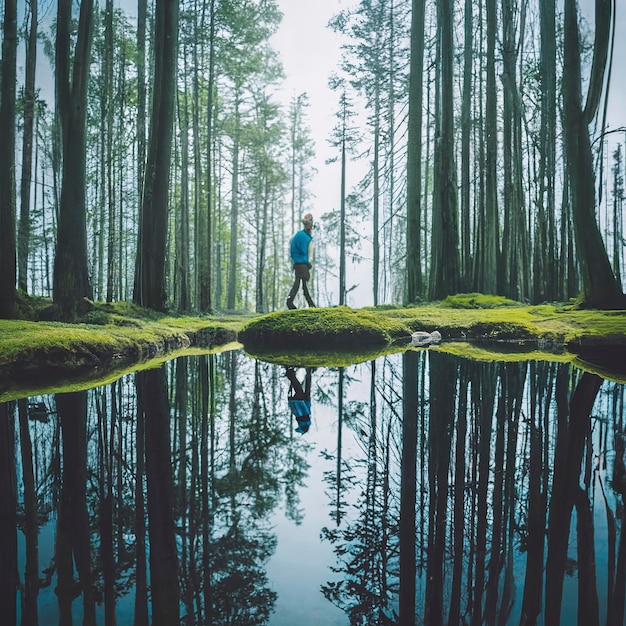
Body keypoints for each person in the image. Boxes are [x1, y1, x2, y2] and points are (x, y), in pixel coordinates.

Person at [286, 213, 316, 309]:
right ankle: (309, 304)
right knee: (302, 284)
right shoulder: (303, 236)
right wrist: (306, 261)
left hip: (300, 263)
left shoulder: (303, 236)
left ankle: (291, 301)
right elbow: (303, 251)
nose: (310, 226)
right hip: (301, 263)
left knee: (300, 283)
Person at [285, 367, 313, 434]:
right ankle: (291, 373)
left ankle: (308, 371)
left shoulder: (306, 421)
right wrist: (291, 401)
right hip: (299, 402)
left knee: (305, 388)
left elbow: (303, 411)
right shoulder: (301, 421)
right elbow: (297, 410)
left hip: (304, 402)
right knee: (299, 388)